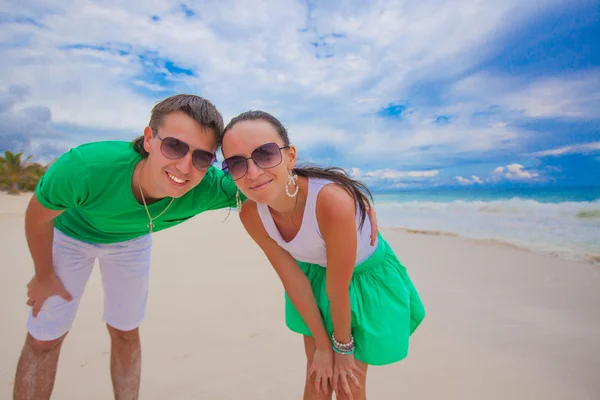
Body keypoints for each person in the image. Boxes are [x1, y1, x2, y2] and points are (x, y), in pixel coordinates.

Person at [13, 94, 240, 400]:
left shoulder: (209, 186)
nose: (185, 166)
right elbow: (38, 217)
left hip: (130, 242)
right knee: (44, 337)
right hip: (70, 235)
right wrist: (43, 275)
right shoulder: (85, 167)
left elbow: (270, 188)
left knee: (125, 332)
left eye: (202, 157)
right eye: (174, 146)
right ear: (149, 139)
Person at [220, 111, 426, 400]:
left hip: (363, 279)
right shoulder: (252, 214)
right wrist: (321, 345)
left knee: (347, 386)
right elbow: (293, 280)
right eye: (236, 163)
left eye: (265, 154)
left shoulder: (331, 202)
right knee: (317, 378)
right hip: (314, 275)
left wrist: (342, 347)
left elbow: (339, 286)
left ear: (290, 156)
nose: (252, 172)